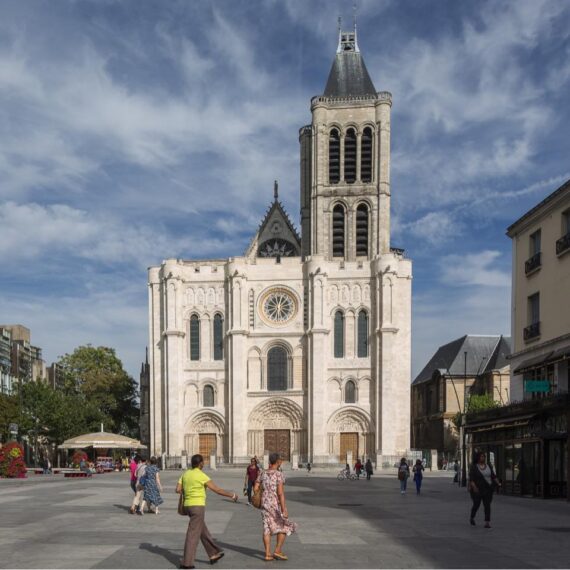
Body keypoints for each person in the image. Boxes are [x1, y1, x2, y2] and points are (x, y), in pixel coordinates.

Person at [176, 453, 238, 569]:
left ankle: (214, 553)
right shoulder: (201, 475)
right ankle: (187, 563)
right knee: (192, 534)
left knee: (202, 530)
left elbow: (177, 489)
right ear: (200, 464)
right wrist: (232, 494)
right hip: (197, 507)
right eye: (203, 462)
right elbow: (217, 490)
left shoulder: (185, 474)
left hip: (187, 506)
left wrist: (188, 490)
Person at [253, 452, 298, 561]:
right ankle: (277, 550)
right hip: (275, 505)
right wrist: (284, 509)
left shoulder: (263, 473)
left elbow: (255, 487)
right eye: (280, 460)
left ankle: (267, 554)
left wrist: (262, 494)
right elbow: (280, 493)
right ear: (278, 462)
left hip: (264, 504)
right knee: (284, 526)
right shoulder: (279, 474)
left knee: (266, 528)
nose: (281, 462)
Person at [469, 452, 500, 528]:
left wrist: (499, 483)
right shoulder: (474, 467)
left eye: (484, 456)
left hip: (488, 489)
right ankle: (472, 517)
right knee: (476, 504)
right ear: (478, 458)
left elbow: (493, 476)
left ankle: (487, 522)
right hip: (477, 490)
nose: (483, 458)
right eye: (481, 456)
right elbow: (471, 479)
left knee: (487, 506)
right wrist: (474, 487)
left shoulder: (489, 466)